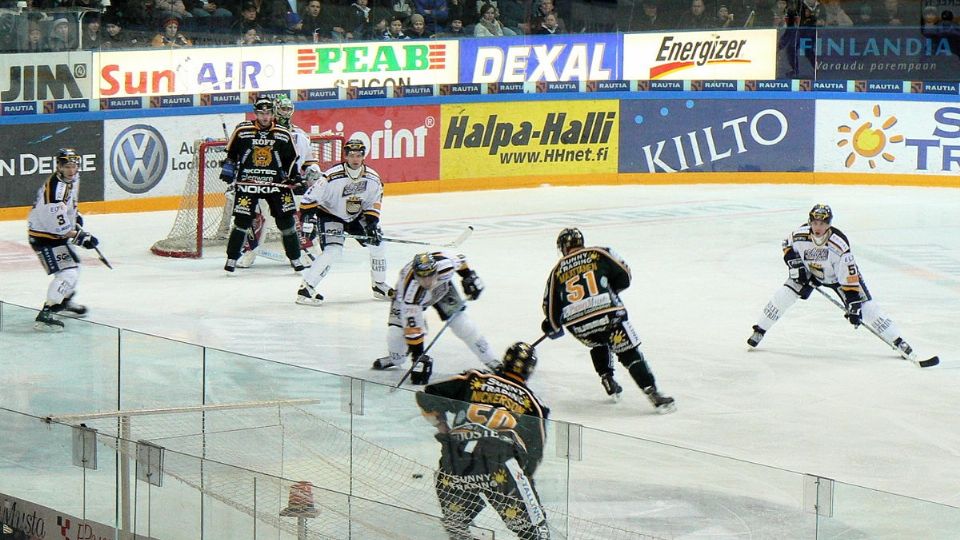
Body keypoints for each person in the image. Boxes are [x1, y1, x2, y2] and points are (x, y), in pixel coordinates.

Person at [416, 342, 551, 540]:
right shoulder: (532, 403)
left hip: (455, 460)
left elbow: (427, 395)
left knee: (457, 527)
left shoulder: (475, 379)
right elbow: (535, 452)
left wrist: (441, 426)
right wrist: (524, 478)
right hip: (502, 464)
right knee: (535, 533)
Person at [747, 204, 916, 361]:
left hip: (838, 278)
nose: (818, 227)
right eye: (814, 223)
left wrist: (853, 305)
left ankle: (898, 341)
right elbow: (786, 244)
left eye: (822, 223)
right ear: (809, 222)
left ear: (829, 224)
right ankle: (759, 330)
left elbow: (849, 281)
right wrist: (795, 264)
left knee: (867, 308)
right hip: (809, 273)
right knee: (783, 296)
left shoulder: (839, 245)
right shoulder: (800, 235)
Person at [541, 228, 675, 413]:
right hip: (609, 315)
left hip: (580, 326)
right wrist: (610, 290)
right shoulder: (599, 253)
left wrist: (552, 325)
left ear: (563, 247)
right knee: (629, 353)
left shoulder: (557, 270)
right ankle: (653, 393)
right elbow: (625, 274)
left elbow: (550, 306)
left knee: (598, 342)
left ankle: (607, 378)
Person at [372, 251, 498, 383]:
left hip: (441, 289)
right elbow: (413, 329)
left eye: (429, 275)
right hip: (407, 302)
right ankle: (396, 357)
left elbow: (461, 260)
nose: (427, 281)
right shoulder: (409, 295)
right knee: (395, 334)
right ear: (415, 274)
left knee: (463, 325)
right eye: (422, 277)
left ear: (436, 270)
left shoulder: (445, 265)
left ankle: (492, 360)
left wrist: (469, 277)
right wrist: (418, 357)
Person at [295, 138, 393, 303]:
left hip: (355, 216)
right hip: (330, 214)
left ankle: (379, 285)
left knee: (378, 245)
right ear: (345, 156)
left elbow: (374, 202)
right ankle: (306, 288)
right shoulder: (330, 177)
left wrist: (372, 225)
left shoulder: (372, 178)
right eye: (352, 155)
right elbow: (308, 199)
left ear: (363, 156)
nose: (355, 159)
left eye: (358, 155)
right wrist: (308, 221)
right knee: (333, 250)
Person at [220, 97, 307, 273]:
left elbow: (291, 160)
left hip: (276, 184)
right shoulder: (243, 130)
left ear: (272, 113)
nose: (265, 117)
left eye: (268, 113)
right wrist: (228, 168)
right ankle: (231, 258)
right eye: (261, 113)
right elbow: (232, 154)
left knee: (286, 221)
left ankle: (296, 258)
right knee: (242, 221)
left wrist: (294, 177)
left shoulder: (283, 133)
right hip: (248, 182)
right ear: (255, 113)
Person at [236, 95, 321, 268]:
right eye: (282, 109)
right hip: (263, 182)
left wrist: (313, 172)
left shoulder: (300, 135)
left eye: (288, 109)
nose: (285, 113)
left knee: (298, 217)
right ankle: (249, 251)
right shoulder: (259, 132)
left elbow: (309, 161)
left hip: (290, 184)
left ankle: (304, 250)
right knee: (256, 216)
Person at [27, 149, 99, 332]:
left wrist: (76, 217)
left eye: (74, 166)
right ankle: (46, 314)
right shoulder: (55, 192)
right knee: (68, 273)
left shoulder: (71, 179)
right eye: (67, 166)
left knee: (74, 265)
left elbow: (68, 205)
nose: (71, 170)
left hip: (52, 234)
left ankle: (64, 301)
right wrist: (81, 237)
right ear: (58, 166)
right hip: (44, 237)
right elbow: (58, 228)